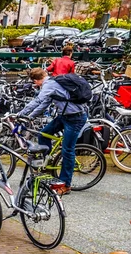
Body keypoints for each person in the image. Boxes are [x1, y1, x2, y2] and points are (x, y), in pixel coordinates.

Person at [18, 68, 88, 196]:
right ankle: (47, 161)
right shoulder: (52, 83)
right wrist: (30, 116)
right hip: (64, 116)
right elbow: (45, 103)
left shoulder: (49, 85)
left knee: (67, 150)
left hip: (75, 118)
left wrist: (20, 114)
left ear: (36, 81)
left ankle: (66, 185)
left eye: (35, 83)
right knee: (43, 134)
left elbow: (38, 101)